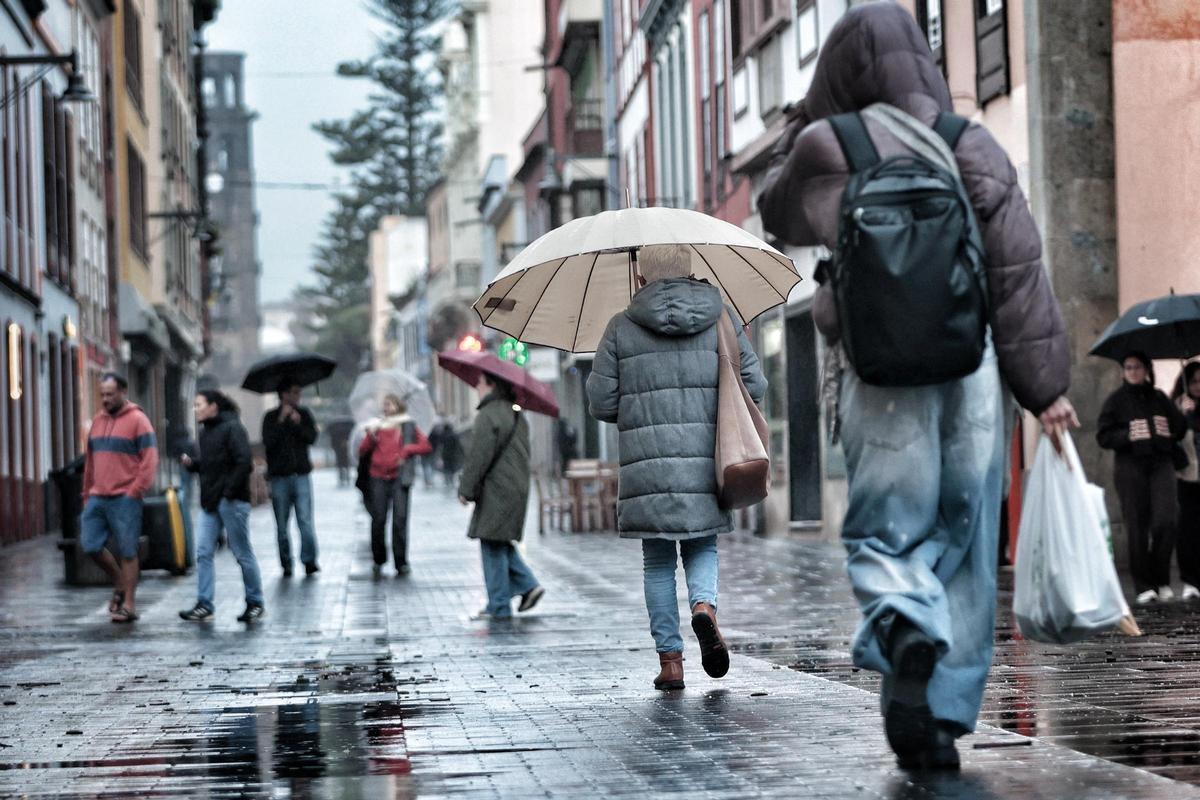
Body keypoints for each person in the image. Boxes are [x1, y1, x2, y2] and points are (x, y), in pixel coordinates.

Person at [757, 4, 1077, 770]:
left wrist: (804, 121)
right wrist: (1046, 387)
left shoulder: (830, 145)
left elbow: (775, 214)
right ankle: (936, 725)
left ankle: (902, 625)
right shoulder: (975, 146)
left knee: (888, 525)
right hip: (971, 371)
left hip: (880, 375)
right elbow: (1016, 272)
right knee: (964, 539)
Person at [586, 244, 766, 691]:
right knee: (703, 545)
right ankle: (704, 608)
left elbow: (600, 403)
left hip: (647, 468)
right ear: (690, 271)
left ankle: (671, 663)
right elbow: (756, 386)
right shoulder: (720, 319)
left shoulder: (620, 328)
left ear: (642, 278)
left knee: (658, 563)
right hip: (706, 462)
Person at [1098, 352, 1186, 605]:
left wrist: (1172, 423)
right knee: (1136, 524)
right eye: (1128, 367)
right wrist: (1128, 435)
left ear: (1147, 369)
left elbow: (1179, 429)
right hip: (1130, 466)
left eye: (1138, 367)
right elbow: (1103, 436)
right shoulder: (1115, 401)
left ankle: (1161, 579)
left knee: (1166, 520)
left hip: (1161, 464)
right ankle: (1143, 584)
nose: (1133, 372)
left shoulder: (1159, 397)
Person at [458, 373, 545, 619]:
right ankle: (528, 586)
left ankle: (499, 604)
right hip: (516, 486)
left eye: (480, 381)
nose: (476, 385)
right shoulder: (517, 414)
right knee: (499, 540)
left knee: (490, 541)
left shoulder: (488, 415)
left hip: (497, 488)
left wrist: (466, 489)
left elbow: (479, 456)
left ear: (492, 385)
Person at [179, 389, 265, 622]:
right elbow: (210, 466)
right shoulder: (205, 432)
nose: (195, 409)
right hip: (210, 503)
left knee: (241, 552)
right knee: (204, 552)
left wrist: (228, 493)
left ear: (213, 406)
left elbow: (243, 462)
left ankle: (255, 602)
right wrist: (193, 464)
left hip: (232, 501)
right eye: (194, 405)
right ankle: (204, 603)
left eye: (199, 405)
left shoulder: (232, 427)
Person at [81, 373, 158, 623]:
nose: (105, 399)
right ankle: (119, 582)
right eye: (102, 394)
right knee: (90, 544)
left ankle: (130, 605)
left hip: (125, 498)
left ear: (123, 392)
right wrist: (86, 492)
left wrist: (135, 491)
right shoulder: (98, 421)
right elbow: (90, 462)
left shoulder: (139, 420)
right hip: (97, 497)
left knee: (128, 551)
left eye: (110, 394)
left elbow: (149, 461)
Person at [359, 394, 433, 577]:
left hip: (399, 478)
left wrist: (407, 450)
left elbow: (425, 446)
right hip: (377, 477)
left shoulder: (408, 425)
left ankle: (401, 561)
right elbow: (362, 450)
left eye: (389, 404)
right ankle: (378, 559)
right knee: (378, 519)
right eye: (384, 404)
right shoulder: (376, 425)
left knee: (400, 520)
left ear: (397, 406)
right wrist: (371, 436)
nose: (385, 408)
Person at [262, 382, 320, 576]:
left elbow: (311, 438)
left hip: (301, 475)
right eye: (294, 392)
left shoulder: (304, 415)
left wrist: (297, 424)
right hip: (279, 478)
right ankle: (286, 562)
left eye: (299, 392)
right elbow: (269, 443)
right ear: (283, 394)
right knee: (281, 524)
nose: (298, 396)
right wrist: (281, 420)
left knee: (305, 520)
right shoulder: (270, 417)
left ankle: (309, 560)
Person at [1173, 362, 1200, 601]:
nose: (1198, 386)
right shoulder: (1178, 408)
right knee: (1188, 529)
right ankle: (1190, 580)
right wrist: (1183, 416)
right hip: (1188, 477)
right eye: (1193, 381)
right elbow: (1173, 438)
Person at [429, 416, 464, 488]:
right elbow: (459, 445)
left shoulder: (443, 435)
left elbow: (440, 446)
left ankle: (447, 481)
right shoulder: (454, 435)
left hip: (445, 455)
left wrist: (439, 455)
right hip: (453, 455)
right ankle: (451, 481)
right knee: (451, 468)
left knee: (446, 469)